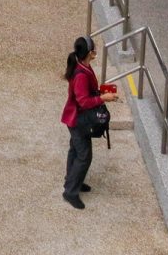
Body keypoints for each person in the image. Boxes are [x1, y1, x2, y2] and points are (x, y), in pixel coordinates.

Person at [60, 35, 118, 209]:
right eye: (94, 50)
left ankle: (72, 180)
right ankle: (70, 191)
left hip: (75, 119)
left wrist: (101, 93)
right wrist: (103, 98)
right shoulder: (81, 75)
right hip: (79, 120)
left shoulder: (82, 66)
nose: (96, 52)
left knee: (75, 151)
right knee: (84, 156)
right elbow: (83, 101)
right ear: (90, 53)